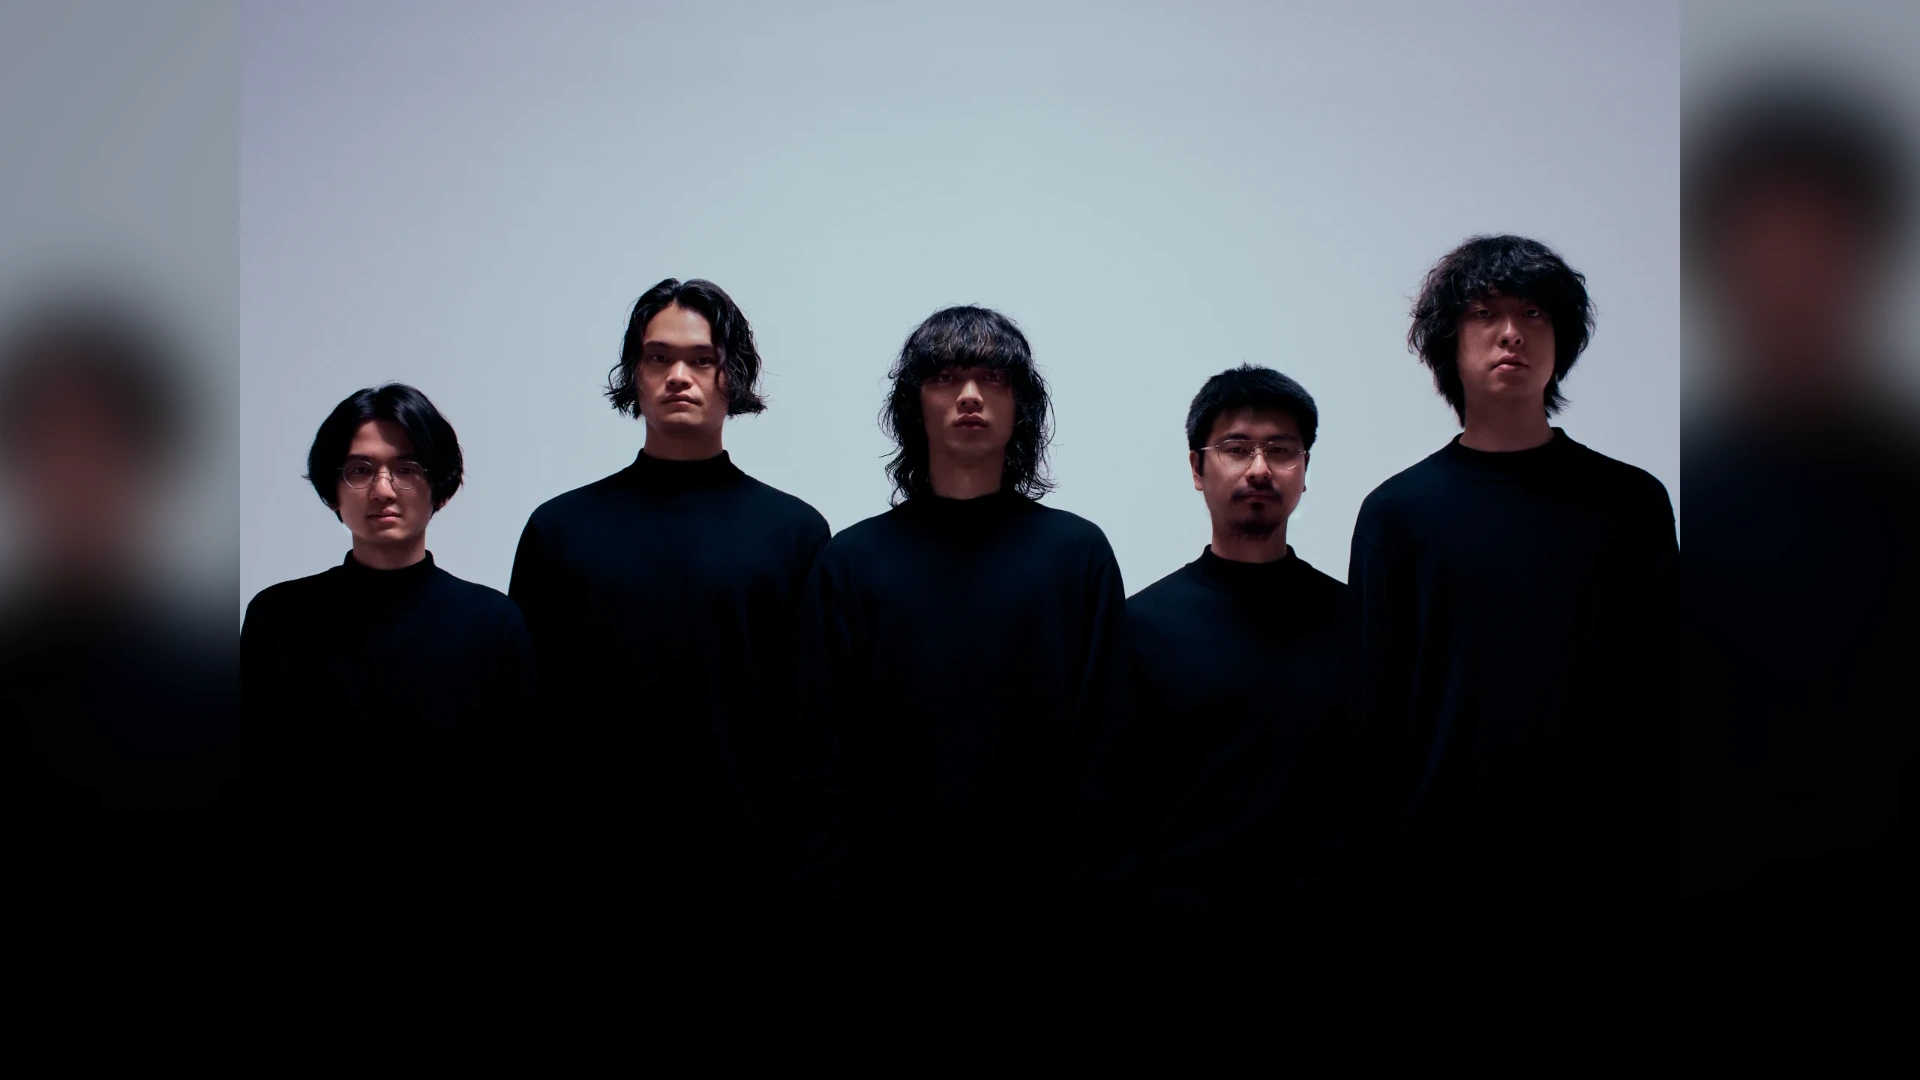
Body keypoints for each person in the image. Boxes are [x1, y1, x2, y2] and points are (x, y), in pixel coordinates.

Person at [1341, 235, 1678, 974]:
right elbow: (1372, 716)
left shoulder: (1632, 505)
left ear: (1562, 339)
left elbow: (1667, 694)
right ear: (1448, 342)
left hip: (1606, 874)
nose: (1511, 333)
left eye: (1533, 313)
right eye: (1484, 313)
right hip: (1439, 877)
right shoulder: (1398, 515)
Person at [789, 305, 1132, 959]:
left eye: (992, 378)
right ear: (914, 406)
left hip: (1048, 921)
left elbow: (1107, 757)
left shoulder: (1077, 556)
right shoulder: (852, 563)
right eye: (945, 377)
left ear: (1020, 405)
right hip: (883, 921)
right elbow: (820, 762)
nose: (970, 395)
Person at [507, 278, 829, 939]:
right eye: (658, 358)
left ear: (733, 375)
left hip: (749, 886)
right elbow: (525, 726)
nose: (678, 376)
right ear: (635, 372)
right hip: (589, 886)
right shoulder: (559, 531)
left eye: (702, 359)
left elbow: (814, 732)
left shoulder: (795, 535)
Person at [241, 383, 535, 924]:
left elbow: (515, 802)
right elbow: (255, 791)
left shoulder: (492, 624)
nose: (382, 489)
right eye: (360, 469)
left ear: (439, 485)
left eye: (406, 469)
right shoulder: (277, 618)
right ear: (333, 488)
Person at [1124, 365, 1346, 961]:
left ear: (1304, 470)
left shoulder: (1360, 621)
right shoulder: (1138, 627)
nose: (1260, 468)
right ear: (1197, 469)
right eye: (1236, 448)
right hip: (1179, 943)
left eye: (1281, 450)